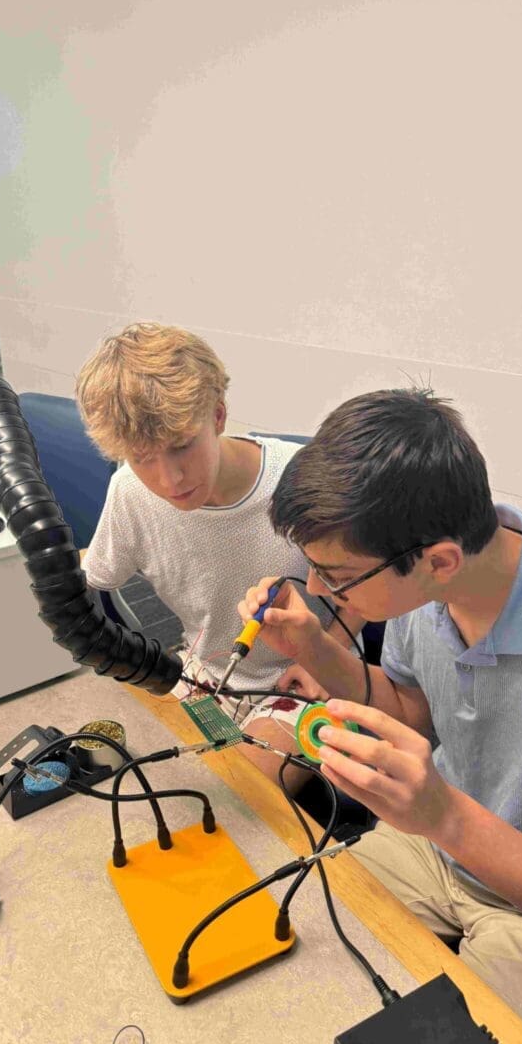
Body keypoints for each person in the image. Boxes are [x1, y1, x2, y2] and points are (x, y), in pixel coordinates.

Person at [238, 387, 522, 1044]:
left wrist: (443, 815)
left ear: (439, 559)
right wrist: (315, 649)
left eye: (337, 576)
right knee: (284, 954)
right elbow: (413, 712)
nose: (320, 592)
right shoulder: (429, 587)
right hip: (443, 847)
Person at [76, 322, 359, 781]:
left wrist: (332, 662)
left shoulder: (299, 480)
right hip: (204, 672)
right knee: (151, 770)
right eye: (143, 458)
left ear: (219, 417)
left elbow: (363, 587)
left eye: (182, 447)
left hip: (308, 675)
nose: (170, 481)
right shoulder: (129, 492)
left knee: (239, 793)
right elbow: (91, 577)